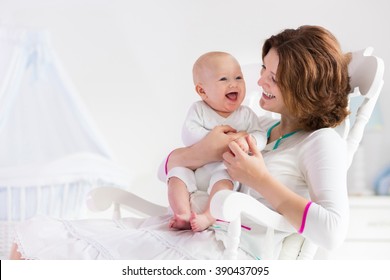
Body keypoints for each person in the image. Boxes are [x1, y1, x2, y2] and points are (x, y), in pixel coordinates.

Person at [10, 25, 351, 260]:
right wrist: (200, 152)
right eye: (263, 68)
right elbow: (167, 170)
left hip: (226, 251)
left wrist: (258, 179)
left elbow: (333, 232)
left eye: (273, 77)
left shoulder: (321, 143)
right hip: (202, 232)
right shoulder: (262, 128)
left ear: (304, 86)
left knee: (41, 252)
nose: (259, 80)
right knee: (32, 241)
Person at [167, 51, 266, 232]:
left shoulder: (246, 115)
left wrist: (249, 141)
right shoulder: (199, 109)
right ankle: (182, 213)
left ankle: (209, 215)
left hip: (224, 167)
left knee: (225, 177)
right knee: (176, 174)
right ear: (202, 91)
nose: (233, 83)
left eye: (238, 77)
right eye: (223, 79)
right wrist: (215, 140)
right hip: (196, 169)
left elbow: (261, 135)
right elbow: (189, 134)